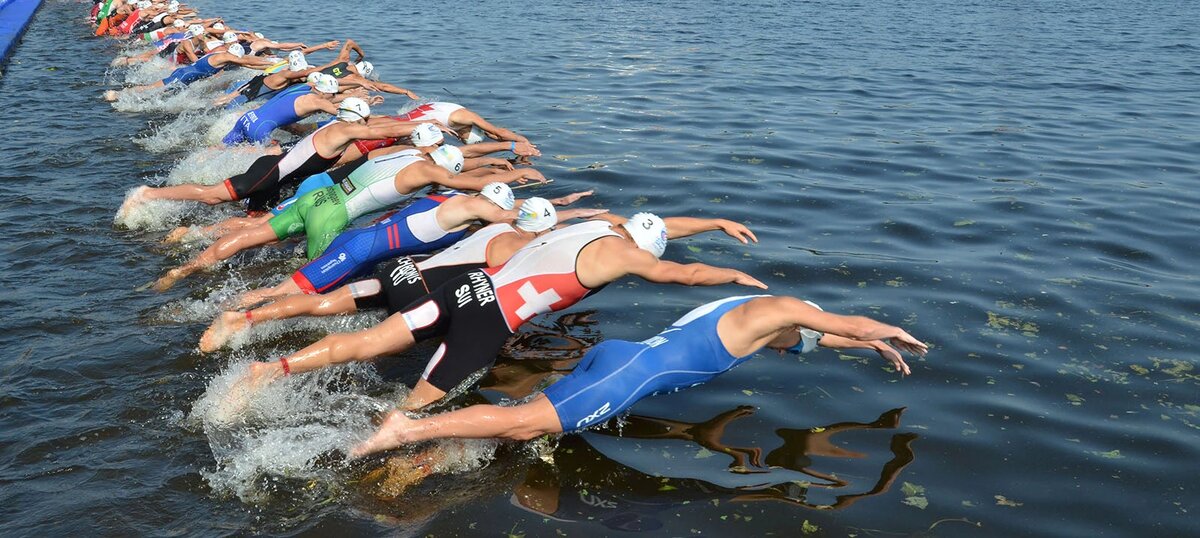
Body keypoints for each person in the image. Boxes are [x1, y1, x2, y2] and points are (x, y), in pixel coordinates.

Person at [223, 211, 765, 410]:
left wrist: (713, 222)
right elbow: (682, 273)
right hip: (487, 322)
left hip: (462, 290)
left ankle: (269, 371)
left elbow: (659, 221)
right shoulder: (624, 254)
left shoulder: (596, 224)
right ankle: (381, 447)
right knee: (416, 408)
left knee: (367, 342)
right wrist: (733, 277)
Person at [348, 294, 927, 458]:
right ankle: (407, 429)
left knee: (534, 428)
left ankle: (427, 456)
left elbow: (816, 336)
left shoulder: (752, 312)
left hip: (620, 356)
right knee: (525, 426)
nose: (804, 331)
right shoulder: (781, 311)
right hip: (624, 378)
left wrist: (865, 345)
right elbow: (839, 321)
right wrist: (884, 331)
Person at [198, 194, 604, 352]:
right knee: (367, 345)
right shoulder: (518, 245)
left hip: (398, 271)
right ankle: (280, 366)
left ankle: (242, 318)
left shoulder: (489, 222)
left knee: (322, 304)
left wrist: (569, 211)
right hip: (419, 294)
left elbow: (525, 219)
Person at [116, 99, 453, 218]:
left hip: (278, 174)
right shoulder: (343, 131)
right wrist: (418, 123)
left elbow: (379, 126)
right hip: (267, 173)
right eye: (362, 121)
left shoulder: (342, 125)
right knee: (212, 196)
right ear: (354, 120)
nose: (366, 125)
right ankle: (148, 194)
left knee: (255, 222)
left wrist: (412, 126)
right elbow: (373, 132)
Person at [103, 42, 273, 100]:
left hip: (183, 74)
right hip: (183, 77)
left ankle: (123, 94)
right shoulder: (225, 57)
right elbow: (245, 62)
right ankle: (118, 94)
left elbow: (246, 63)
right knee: (153, 90)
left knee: (157, 91)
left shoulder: (221, 54)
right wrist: (268, 62)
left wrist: (266, 65)